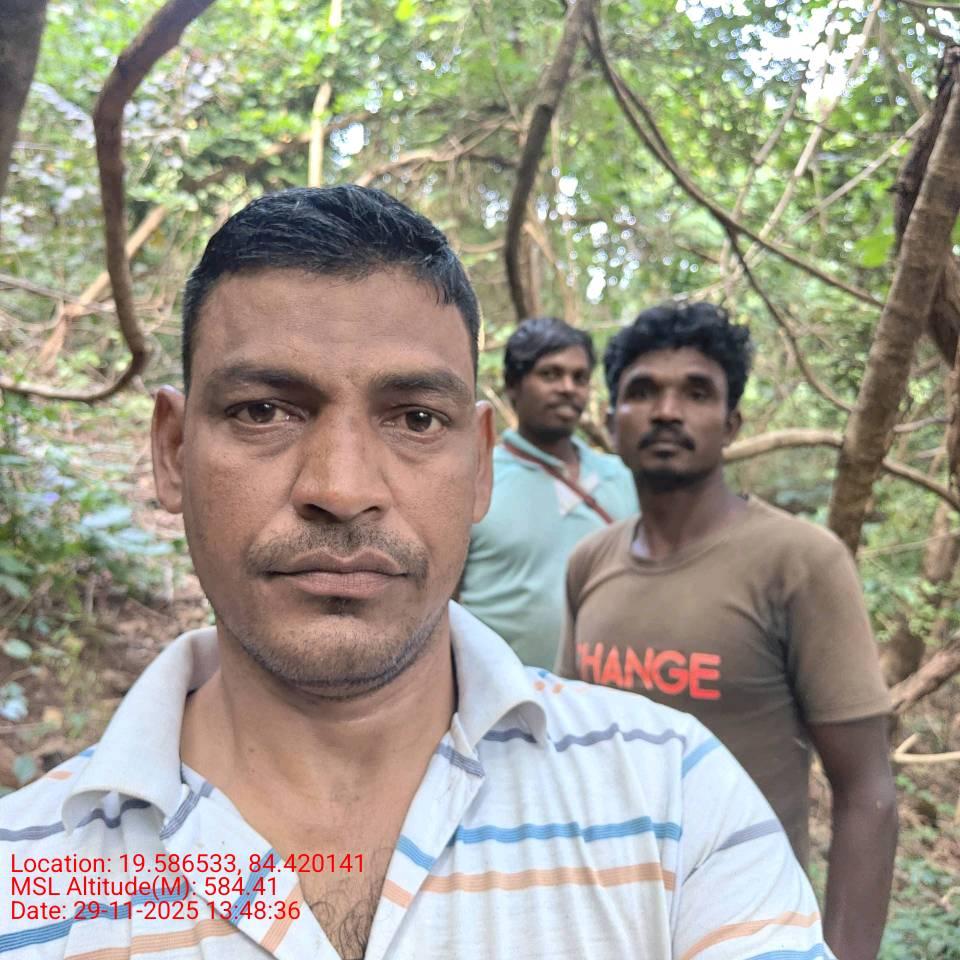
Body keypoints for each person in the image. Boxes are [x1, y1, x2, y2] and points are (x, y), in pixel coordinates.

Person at [1, 189, 834, 960]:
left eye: (416, 419)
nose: (341, 488)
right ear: (173, 451)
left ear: (479, 467)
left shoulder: (673, 801)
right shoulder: (24, 874)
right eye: (263, 410)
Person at [557, 301, 897, 960]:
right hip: (602, 922)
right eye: (643, 391)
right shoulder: (590, 563)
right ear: (611, 420)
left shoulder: (800, 562)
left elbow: (866, 789)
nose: (667, 411)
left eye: (697, 392)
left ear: (731, 423)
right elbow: (571, 749)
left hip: (748, 928)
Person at [458, 317, 637, 667]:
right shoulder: (474, 478)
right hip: (498, 691)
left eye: (579, 377)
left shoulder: (622, 477)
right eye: (550, 374)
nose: (568, 388)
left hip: (603, 693)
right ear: (513, 385)